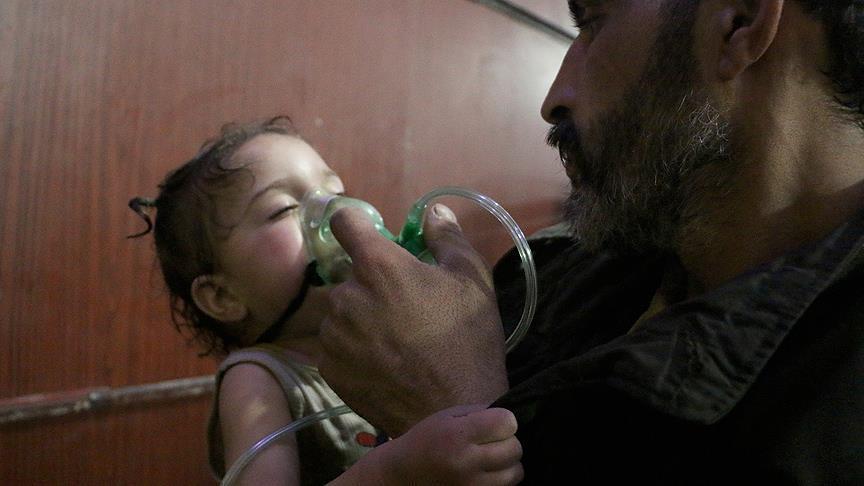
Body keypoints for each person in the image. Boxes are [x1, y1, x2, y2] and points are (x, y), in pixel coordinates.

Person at [317, 1, 864, 483]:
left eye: (594, 20)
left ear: (739, 21)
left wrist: (454, 417)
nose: (554, 99)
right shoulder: (558, 272)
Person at [128, 116, 524, 485]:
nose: (335, 215)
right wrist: (395, 471)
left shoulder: (383, 347)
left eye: (335, 193)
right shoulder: (257, 379)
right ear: (223, 296)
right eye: (284, 209)